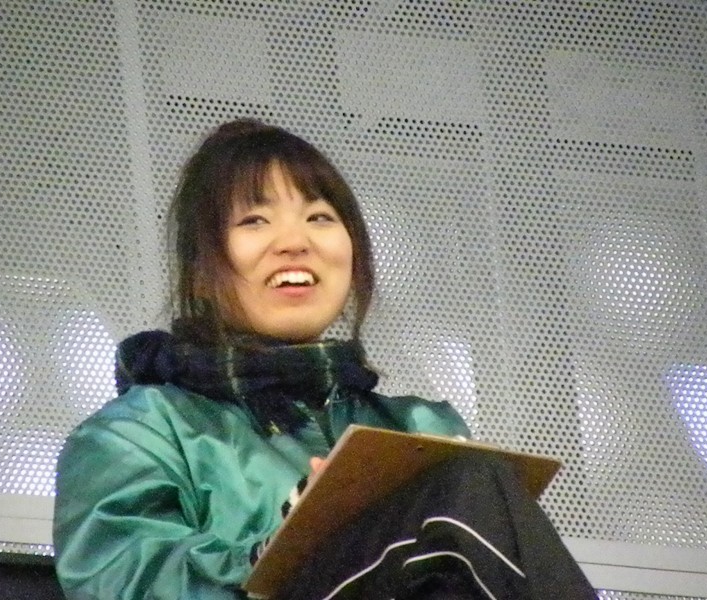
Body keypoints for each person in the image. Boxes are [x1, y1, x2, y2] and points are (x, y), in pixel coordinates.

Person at [53, 119, 594, 600]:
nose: (295, 241)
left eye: (318, 216)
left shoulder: (418, 428)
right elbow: (122, 581)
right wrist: (284, 545)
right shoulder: (135, 434)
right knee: (467, 486)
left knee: (473, 479)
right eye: (254, 221)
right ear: (199, 270)